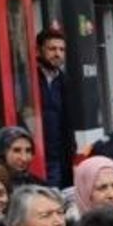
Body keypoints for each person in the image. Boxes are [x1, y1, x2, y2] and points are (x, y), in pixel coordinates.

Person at [36, 28, 72, 187]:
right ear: (39, 50)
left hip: (59, 155)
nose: (57, 54)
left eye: (61, 50)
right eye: (52, 49)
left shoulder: (64, 81)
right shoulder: (28, 78)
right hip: (37, 155)